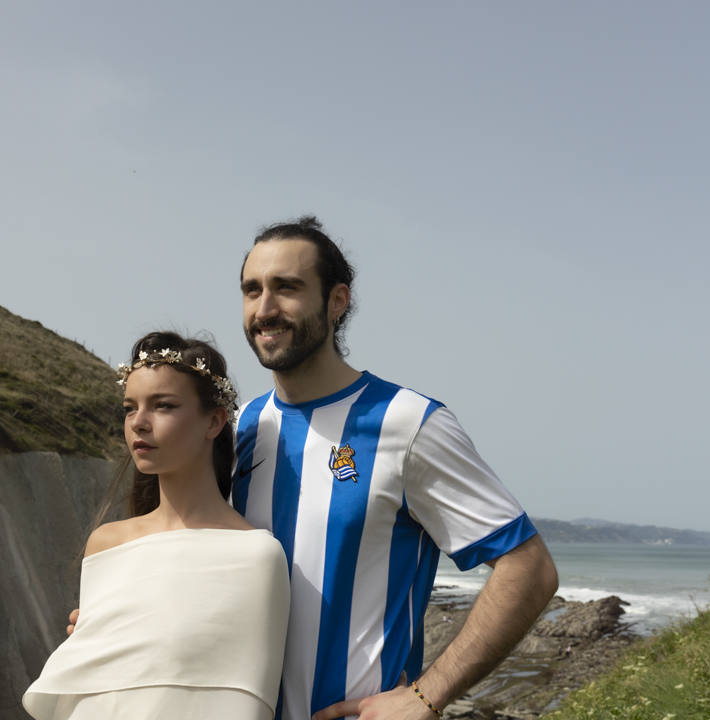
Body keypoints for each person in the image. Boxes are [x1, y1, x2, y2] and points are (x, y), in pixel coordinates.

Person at [234, 217, 559, 720]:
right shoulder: (239, 428)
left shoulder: (408, 424)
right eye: (251, 290)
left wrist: (427, 695)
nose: (265, 308)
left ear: (337, 301)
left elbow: (529, 568)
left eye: (287, 288)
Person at [24, 331, 290, 720]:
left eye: (163, 406)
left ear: (214, 421)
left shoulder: (256, 556)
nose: (139, 424)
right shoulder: (107, 544)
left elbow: (244, 702)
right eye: (130, 408)